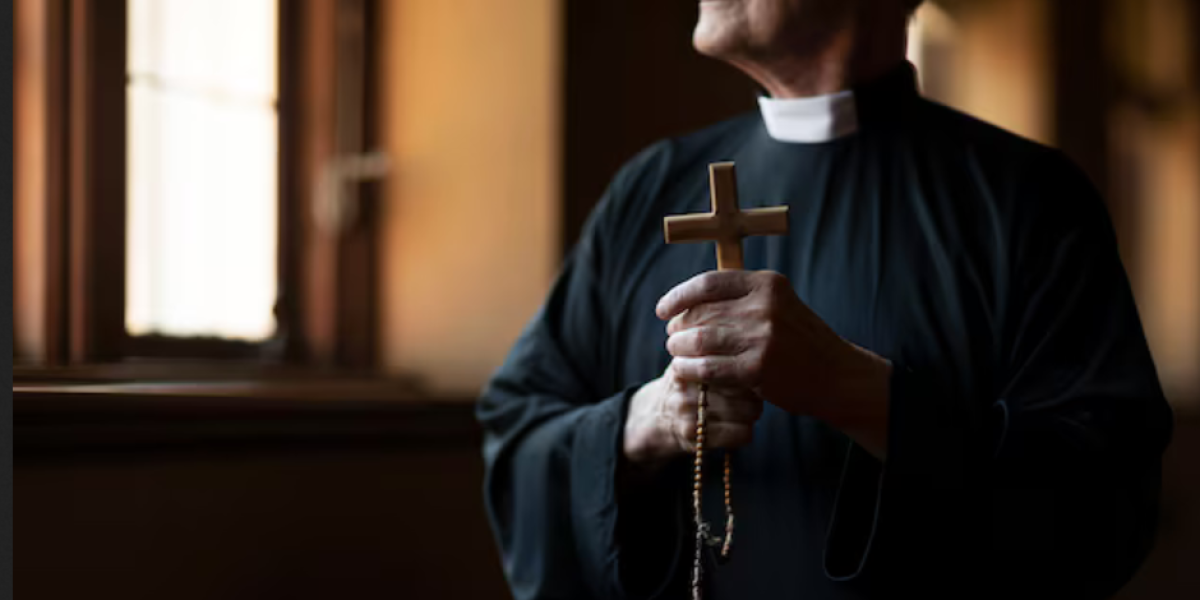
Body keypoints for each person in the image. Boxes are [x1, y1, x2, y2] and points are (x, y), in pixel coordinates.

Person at [477, 0, 1174, 598]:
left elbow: (1102, 497)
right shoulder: (650, 190)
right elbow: (519, 434)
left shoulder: (1027, 202)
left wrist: (857, 392)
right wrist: (642, 424)